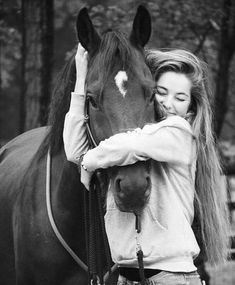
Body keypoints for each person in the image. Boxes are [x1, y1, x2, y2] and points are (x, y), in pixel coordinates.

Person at [63, 44, 230, 285]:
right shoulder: (121, 148)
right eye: (161, 92)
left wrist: (88, 163)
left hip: (171, 278)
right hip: (126, 277)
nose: (168, 103)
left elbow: (121, 148)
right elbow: (74, 150)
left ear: (190, 108)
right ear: (148, 94)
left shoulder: (179, 133)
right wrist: (81, 81)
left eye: (180, 97)